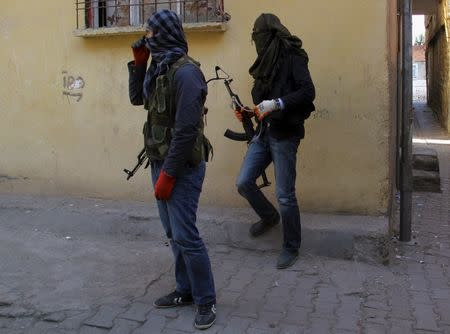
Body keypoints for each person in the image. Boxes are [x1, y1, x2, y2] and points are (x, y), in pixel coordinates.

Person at [128, 9, 216, 330]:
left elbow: (186, 130)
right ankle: (185, 290)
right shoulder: (158, 66)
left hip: (182, 166)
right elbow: (138, 100)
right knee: (172, 233)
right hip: (159, 160)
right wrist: (138, 65)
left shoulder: (187, 73)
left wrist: (169, 174)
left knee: (186, 234)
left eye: (150, 34)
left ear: (165, 33)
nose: (147, 38)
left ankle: (206, 300)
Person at [235, 13, 316, 269]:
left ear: (270, 36)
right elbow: (262, 102)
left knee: (285, 195)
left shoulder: (293, 58)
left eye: (259, 36)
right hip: (264, 133)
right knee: (244, 182)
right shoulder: (264, 63)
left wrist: (278, 103)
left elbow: (307, 91)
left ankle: (291, 247)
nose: (256, 41)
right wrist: (249, 112)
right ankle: (269, 217)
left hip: (285, 135)